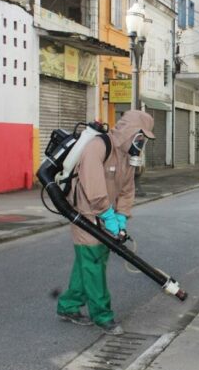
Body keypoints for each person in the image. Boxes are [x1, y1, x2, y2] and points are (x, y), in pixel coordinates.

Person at [56, 110, 155, 336]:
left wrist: (121, 216)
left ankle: (68, 305)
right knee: (92, 260)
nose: (141, 142)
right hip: (85, 212)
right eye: (140, 136)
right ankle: (102, 315)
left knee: (92, 260)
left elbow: (127, 190)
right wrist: (108, 215)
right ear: (130, 131)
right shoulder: (99, 146)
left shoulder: (129, 156)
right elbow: (93, 186)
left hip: (106, 215)